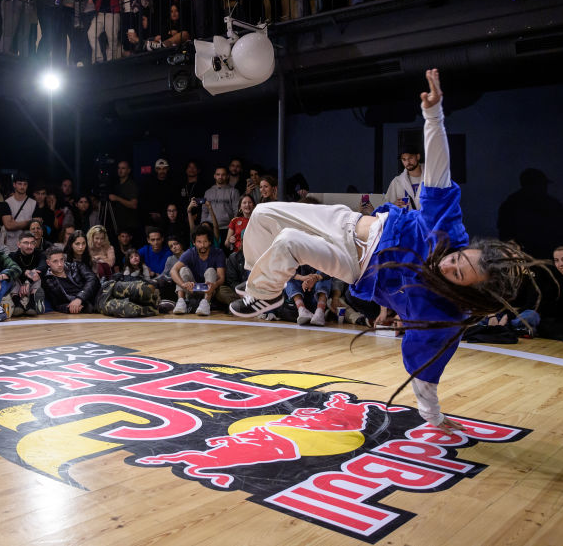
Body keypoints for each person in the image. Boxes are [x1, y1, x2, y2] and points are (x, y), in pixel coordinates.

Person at [232, 69, 543, 432]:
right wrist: (433, 116)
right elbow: (439, 172)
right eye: (457, 259)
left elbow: (425, 375)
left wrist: (435, 418)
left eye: (458, 275)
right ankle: (263, 290)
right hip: (349, 223)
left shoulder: (442, 316)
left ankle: (262, 293)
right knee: (265, 213)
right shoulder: (448, 229)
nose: (449, 266)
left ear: (467, 292)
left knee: (287, 243)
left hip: (356, 263)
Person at [171, 225, 227, 316]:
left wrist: (214, 285)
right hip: (191, 288)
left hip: (209, 289)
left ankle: (206, 302)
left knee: (211, 270)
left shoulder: (218, 253)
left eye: (205, 241)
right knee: (183, 270)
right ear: (194, 243)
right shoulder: (190, 253)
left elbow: (221, 277)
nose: (202, 245)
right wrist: (183, 284)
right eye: (199, 242)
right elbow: (173, 270)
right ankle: (181, 301)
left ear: (209, 242)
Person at [385, 144, 424, 210]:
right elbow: (387, 206)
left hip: (427, 219)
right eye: (404, 159)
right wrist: (394, 206)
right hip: (406, 219)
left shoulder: (431, 178)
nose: (407, 162)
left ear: (418, 156)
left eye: (410, 158)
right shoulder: (397, 182)